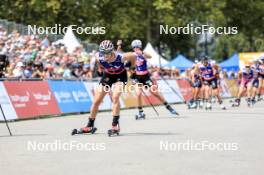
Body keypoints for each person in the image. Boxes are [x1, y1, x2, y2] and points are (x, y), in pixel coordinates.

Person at [75, 40, 136, 136]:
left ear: (112, 51)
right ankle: (90, 125)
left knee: (115, 97)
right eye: (103, 53)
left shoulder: (121, 57)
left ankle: (115, 125)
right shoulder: (98, 56)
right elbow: (99, 62)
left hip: (121, 76)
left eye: (108, 53)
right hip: (108, 75)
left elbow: (134, 56)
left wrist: (132, 68)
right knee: (96, 101)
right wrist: (100, 68)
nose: (105, 55)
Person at [130, 39, 179, 119]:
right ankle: (141, 112)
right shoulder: (132, 55)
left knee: (155, 93)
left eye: (137, 47)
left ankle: (168, 107)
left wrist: (142, 53)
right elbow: (128, 66)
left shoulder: (143, 54)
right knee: (138, 94)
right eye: (134, 47)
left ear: (140, 47)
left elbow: (150, 56)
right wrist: (132, 77)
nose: (136, 49)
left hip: (146, 77)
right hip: (137, 78)